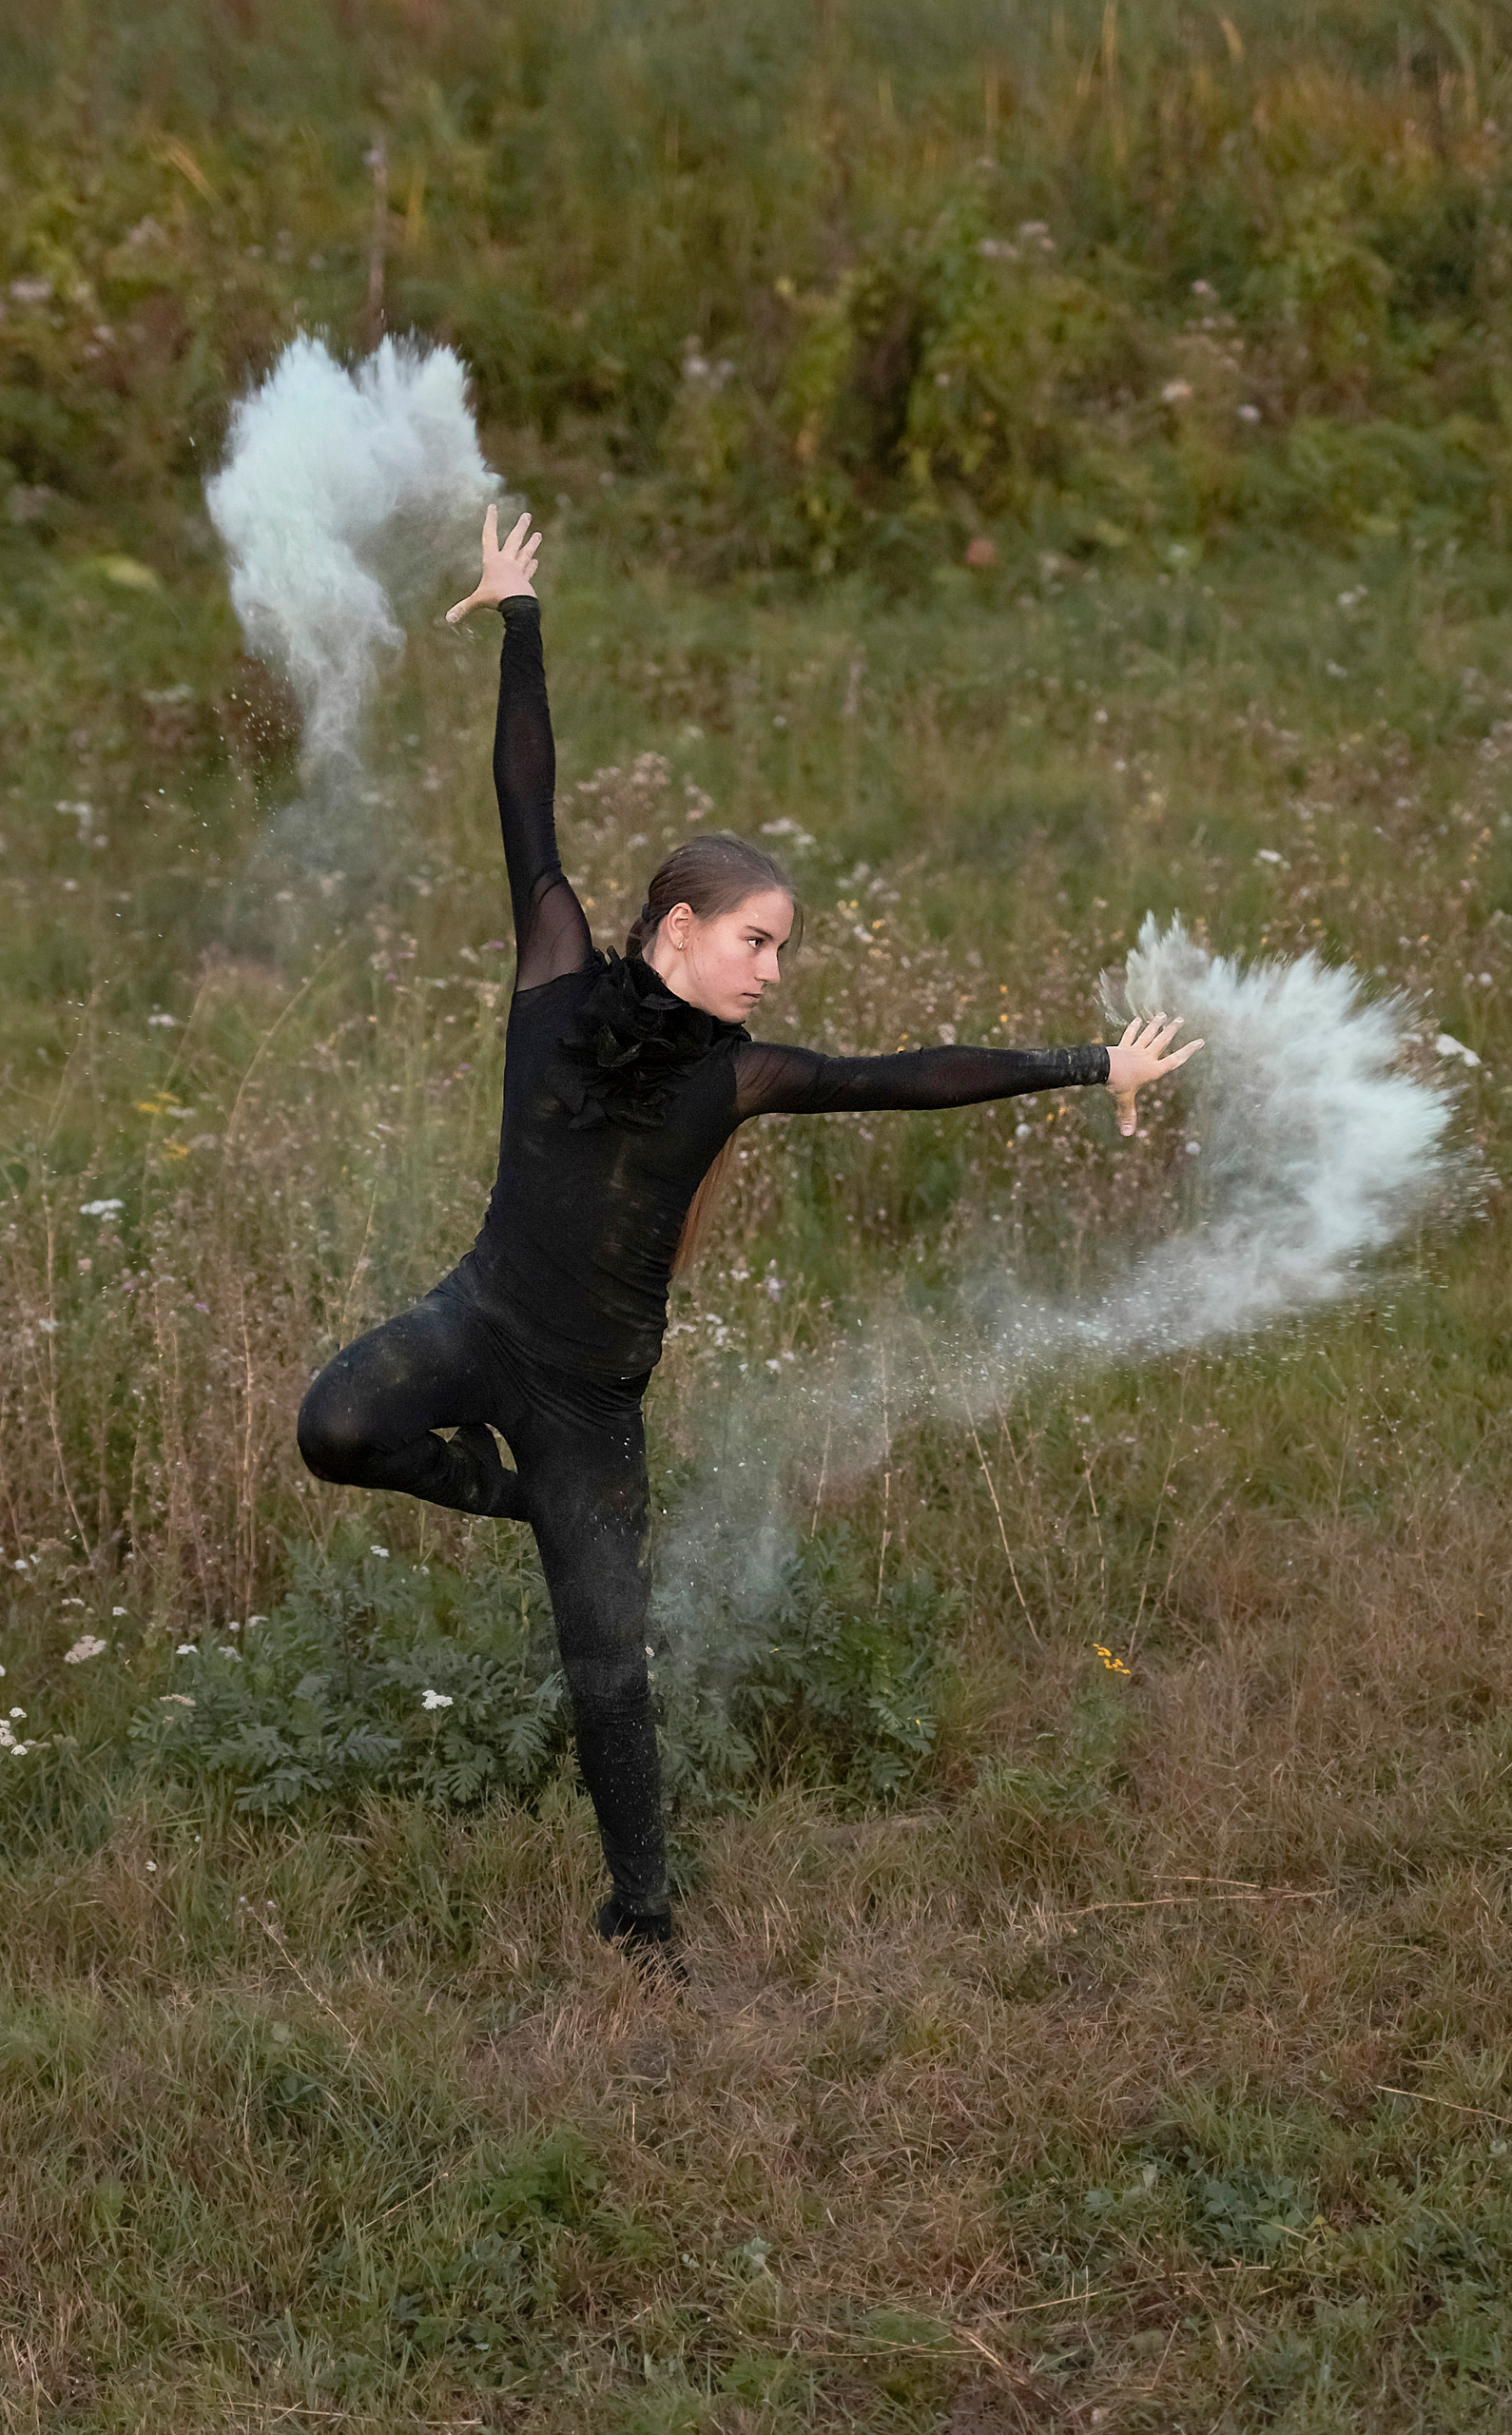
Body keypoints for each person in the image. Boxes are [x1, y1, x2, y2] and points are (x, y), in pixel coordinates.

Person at [297, 507, 1203, 1969]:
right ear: (675, 928)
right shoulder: (551, 981)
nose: (773, 971)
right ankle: (520, 1505)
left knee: (607, 1660)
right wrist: (517, 616)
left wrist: (1089, 1065)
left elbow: (909, 1075)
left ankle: (641, 1914)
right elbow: (522, 798)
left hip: (591, 1396)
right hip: (481, 1321)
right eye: (757, 941)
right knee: (335, 1423)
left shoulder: (741, 1075)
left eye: (781, 950)